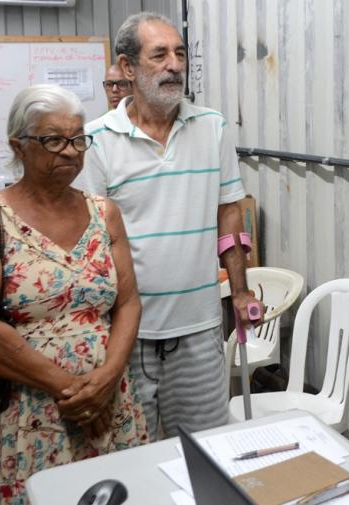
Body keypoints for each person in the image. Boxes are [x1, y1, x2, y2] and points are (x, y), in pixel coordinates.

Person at [0, 84, 148, 504]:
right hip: (33, 407)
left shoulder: (104, 213)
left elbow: (128, 302)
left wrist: (108, 378)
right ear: (18, 146)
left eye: (78, 139)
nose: (71, 152)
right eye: (54, 140)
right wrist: (72, 390)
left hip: (110, 396)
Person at [73, 12, 258, 440]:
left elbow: (229, 212)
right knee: (129, 453)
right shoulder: (96, 139)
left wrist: (240, 290)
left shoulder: (212, 128)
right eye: (159, 55)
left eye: (180, 54)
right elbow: (90, 239)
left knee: (203, 449)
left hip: (199, 328)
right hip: (126, 335)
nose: (174, 65)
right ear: (127, 67)